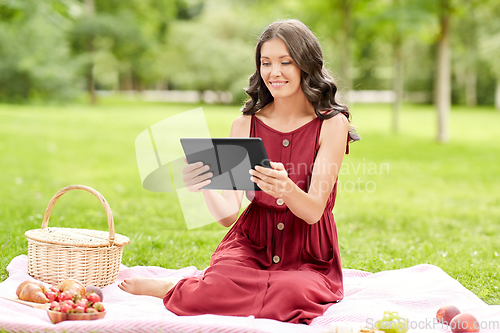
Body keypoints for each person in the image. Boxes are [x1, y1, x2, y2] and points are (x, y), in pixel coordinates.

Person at [119, 19, 357, 324]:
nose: (274, 72)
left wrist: (286, 190)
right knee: (220, 280)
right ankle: (181, 288)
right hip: (251, 243)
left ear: (305, 65)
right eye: (266, 62)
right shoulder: (244, 124)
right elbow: (229, 215)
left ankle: (187, 289)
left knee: (292, 293)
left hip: (307, 253)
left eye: (286, 62)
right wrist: (205, 185)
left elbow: (313, 211)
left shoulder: (331, 124)